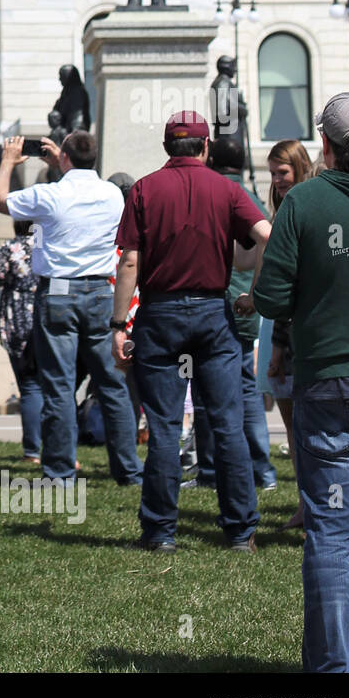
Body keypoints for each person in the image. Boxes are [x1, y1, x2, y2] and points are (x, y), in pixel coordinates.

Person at [252, 91, 349, 671]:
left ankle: (332, 673)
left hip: (328, 389)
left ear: (325, 146)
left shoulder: (303, 203)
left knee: (330, 540)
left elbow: (273, 297)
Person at [111, 111, 269, 553]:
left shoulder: (143, 189)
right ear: (205, 148)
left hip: (159, 314)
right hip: (211, 314)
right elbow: (267, 237)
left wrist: (117, 324)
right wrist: (255, 296)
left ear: (167, 148)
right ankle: (240, 531)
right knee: (226, 423)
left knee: (163, 426)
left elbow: (129, 262)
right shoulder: (227, 189)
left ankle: (161, 532)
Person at [0, 130, 141, 486]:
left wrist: (8, 161)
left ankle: (59, 471)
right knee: (111, 384)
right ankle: (128, 470)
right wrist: (63, 161)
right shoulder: (111, 194)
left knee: (58, 385)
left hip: (58, 293)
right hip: (102, 291)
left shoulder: (51, 193)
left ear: (66, 159)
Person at [185, 137, 277, 492]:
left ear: (210, 159)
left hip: (217, 309)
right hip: (247, 312)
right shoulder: (251, 200)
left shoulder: (216, 196)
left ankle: (209, 470)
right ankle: (263, 471)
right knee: (248, 391)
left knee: (206, 391)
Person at [262, 139, 315, 529]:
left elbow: (290, 285)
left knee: (303, 425)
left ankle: (312, 504)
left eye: (282, 172)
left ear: (299, 166)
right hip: (280, 324)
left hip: (293, 329)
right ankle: (305, 501)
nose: (277, 180)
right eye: (272, 174)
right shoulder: (285, 207)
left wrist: (279, 346)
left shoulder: (301, 207)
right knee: (293, 422)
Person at [0, 220, 43, 463]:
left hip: (17, 321)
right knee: (54, 384)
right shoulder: (48, 246)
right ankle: (56, 443)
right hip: (47, 316)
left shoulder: (9, 248)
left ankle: (33, 449)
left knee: (29, 385)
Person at [52, 65, 92, 133]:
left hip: (73, 133)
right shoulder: (66, 93)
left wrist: (74, 135)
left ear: (68, 76)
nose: (59, 79)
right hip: (64, 131)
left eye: (61, 75)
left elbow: (79, 116)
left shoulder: (77, 93)